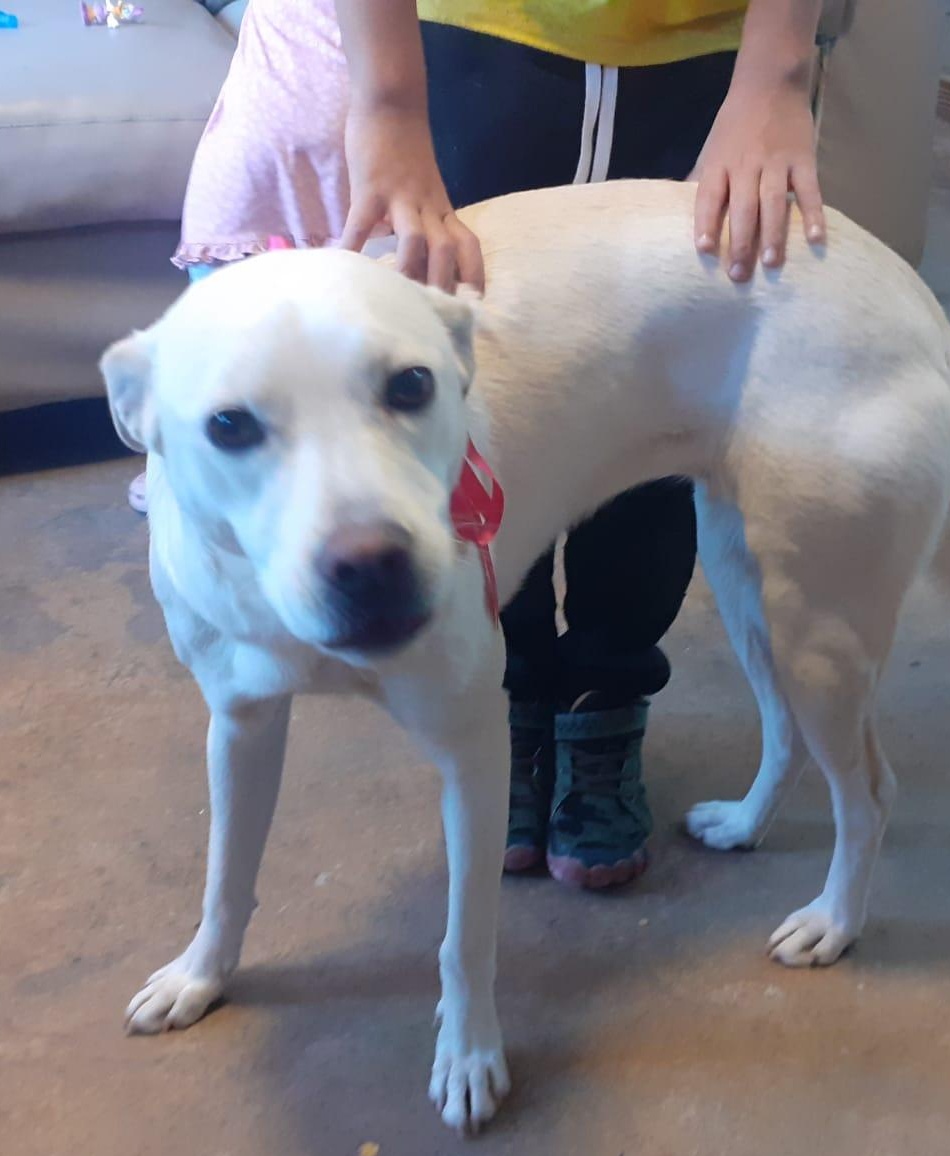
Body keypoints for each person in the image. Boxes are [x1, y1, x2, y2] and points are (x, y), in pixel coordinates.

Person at [141, 0, 840, 890]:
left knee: (660, 405)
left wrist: (777, 72)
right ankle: (510, 701)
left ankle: (605, 699)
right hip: (477, 39)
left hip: (699, 46)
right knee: (464, 404)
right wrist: (388, 103)